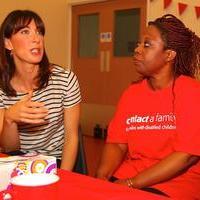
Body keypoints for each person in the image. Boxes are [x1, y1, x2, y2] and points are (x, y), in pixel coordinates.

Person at [96, 14, 200, 199]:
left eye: (147, 44)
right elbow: (117, 144)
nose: (137, 49)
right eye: (138, 43)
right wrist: (101, 177)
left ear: (169, 55)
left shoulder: (191, 91)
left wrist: (131, 183)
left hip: (175, 184)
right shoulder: (132, 93)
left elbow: (186, 156)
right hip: (129, 176)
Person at [0, 10, 81, 171]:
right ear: (8, 43)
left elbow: (71, 137)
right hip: (16, 163)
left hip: (54, 163)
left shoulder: (65, 79)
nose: (36, 38)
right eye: (25, 32)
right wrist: (10, 119)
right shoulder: (1, 88)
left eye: (39, 32)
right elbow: (10, 148)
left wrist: (63, 178)